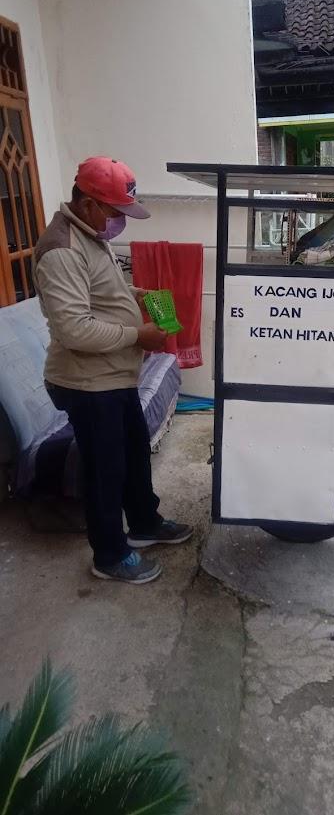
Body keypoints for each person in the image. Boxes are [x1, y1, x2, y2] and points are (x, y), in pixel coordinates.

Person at [33, 156, 193, 585]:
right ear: (87, 204)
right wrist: (138, 336)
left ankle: (143, 522)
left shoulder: (89, 234)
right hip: (85, 381)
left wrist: (137, 293)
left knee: (134, 452)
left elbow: (101, 290)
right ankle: (109, 554)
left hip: (113, 375)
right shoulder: (62, 250)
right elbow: (74, 329)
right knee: (106, 468)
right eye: (116, 212)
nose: (121, 221)